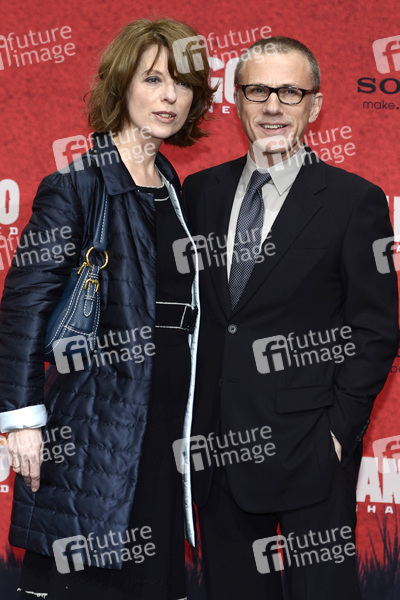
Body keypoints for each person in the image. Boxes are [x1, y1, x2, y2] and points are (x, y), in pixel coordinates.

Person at [0, 18, 214, 600]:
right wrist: (22, 420)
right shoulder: (76, 185)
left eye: (183, 83)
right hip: (96, 418)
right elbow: (24, 305)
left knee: (151, 577)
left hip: (168, 418)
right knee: (91, 576)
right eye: (153, 79)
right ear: (122, 85)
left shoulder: (173, 187)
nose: (170, 96)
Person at [181, 37, 399, 600]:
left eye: (290, 92)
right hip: (219, 450)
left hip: (311, 452)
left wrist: (337, 434)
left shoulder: (354, 201)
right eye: (258, 90)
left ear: (315, 104)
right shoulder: (200, 192)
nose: (273, 106)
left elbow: (375, 329)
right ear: (237, 100)